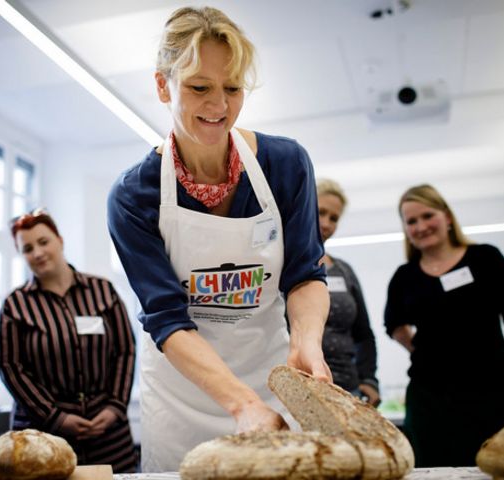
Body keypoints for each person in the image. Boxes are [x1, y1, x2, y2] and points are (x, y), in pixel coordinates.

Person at [107, 6, 331, 472]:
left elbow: (305, 274)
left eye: (232, 88)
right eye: (199, 87)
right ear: (163, 86)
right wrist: (239, 403)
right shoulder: (135, 195)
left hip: (271, 383)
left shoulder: (285, 164)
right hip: (182, 399)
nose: (219, 106)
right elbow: (166, 317)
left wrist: (307, 341)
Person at [384, 183, 504, 467]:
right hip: (429, 401)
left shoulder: (486, 259)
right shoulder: (405, 276)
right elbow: (393, 324)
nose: (421, 226)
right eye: (411, 221)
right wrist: (423, 351)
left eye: (427, 216)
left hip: (491, 394)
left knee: (497, 469)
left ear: (447, 217)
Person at [0, 209, 137, 472]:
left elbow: (125, 351)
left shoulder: (102, 290)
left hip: (107, 432)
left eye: (43, 242)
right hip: (43, 436)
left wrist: (115, 406)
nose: (37, 253)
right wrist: (56, 417)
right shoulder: (15, 305)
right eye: (27, 248)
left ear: (60, 240)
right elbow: (10, 367)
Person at [316, 178, 380, 406]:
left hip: (347, 389)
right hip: (303, 386)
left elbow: (363, 333)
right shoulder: (283, 263)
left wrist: (369, 379)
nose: (326, 223)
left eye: (334, 218)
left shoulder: (344, 271)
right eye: (321, 212)